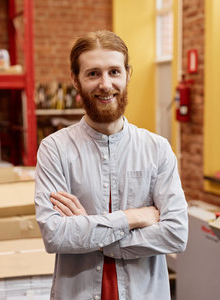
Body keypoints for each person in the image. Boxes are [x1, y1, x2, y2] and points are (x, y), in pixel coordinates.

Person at [34, 30, 188, 300]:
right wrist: (133, 218)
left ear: (128, 74)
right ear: (75, 79)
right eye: (93, 73)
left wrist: (90, 233)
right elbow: (55, 235)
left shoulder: (157, 149)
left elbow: (175, 235)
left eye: (114, 72)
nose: (105, 84)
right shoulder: (55, 149)